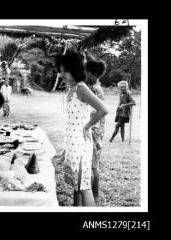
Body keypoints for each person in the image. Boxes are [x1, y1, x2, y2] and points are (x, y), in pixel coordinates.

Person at [55, 50, 108, 206]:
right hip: (72, 142)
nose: (61, 74)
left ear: (75, 70)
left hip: (80, 143)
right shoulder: (71, 89)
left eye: (65, 70)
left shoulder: (81, 88)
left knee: (84, 187)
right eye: (60, 70)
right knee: (76, 186)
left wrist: (87, 127)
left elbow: (103, 109)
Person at [85, 59, 107, 205]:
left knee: (92, 166)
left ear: (93, 74)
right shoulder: (95, 87)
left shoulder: (93, 89)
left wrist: (87, 126)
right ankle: (95, 194)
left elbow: (96, 112)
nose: (84, 74)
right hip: (96, 130)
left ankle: (95, 195)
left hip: (94, 131)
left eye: (86, 72)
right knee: (93, 165)